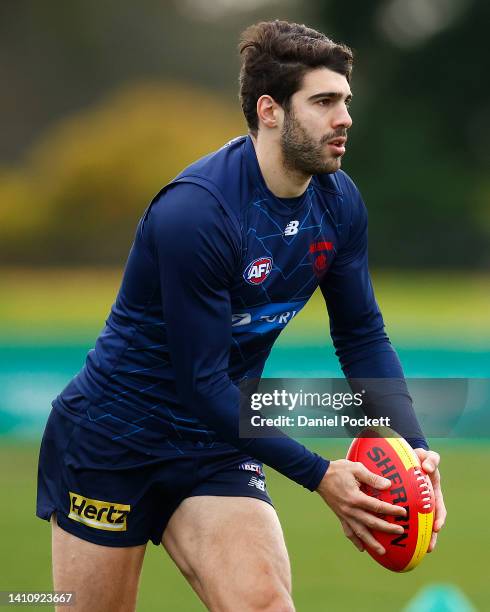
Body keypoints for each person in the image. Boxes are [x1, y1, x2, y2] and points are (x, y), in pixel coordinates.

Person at [36, 20, 446, 612]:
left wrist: (414, 448)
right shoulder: (198, 213)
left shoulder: (338, 202)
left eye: (346, 101)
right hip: (112, 441)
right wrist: (318, 474)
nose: (345, 118)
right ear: (270, 111)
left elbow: (360, 334)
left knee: (264, 606)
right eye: (324, 101)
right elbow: (201, 383)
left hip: (215, 443)